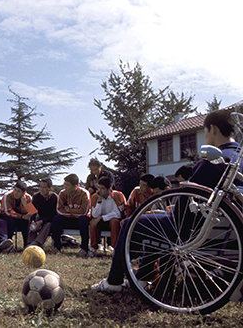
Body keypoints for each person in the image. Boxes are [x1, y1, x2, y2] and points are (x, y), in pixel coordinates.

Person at [91, 109, 243, 292]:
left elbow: (185, 204)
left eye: (205, 131)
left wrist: (171, 213)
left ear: (213, 129)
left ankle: (114, 281)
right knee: (156, 222)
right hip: (230, 234)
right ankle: (142, 277)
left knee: (131, 223)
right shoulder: (238, 160)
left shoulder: (216, 160)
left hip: (193, 231)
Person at [51, 173, 91, 257]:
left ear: (75, 186)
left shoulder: (84, 193)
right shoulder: (62, 193)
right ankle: (57, 247)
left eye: (67, 185)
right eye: (64, 184)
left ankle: (84, 248)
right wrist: (74, 212)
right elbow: (59, 210)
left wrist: (69, 210)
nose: (65, 187)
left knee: (83, 219)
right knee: (56, 219)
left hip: (80, 220)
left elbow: (84, 211)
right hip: (68, 219)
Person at [89, 177, 126, 257]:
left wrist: (102, 217)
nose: (99, 190)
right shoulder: (95, 197)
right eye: (98, 188)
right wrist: (99, 202)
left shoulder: (117, 195)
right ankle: (93, 248)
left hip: (113, 222)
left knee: (114, 221)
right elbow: (94, 215)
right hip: (101, 222)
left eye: (102, 188)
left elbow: (118, 214)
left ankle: (115, 248)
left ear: (109, 189)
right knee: (93, 222)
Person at [27, 178, 58, 248]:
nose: (41, 189)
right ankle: (30, 242)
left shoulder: (54, 198)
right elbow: (33, 212)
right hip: (40, 218)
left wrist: (41, 222)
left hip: (50, 220)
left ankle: (38, 243)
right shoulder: (36, 197)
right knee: (31, 223)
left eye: (44, 187)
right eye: (40, 187)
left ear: (50, 188)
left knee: (48, 225)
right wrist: (33, 221)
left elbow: (54, 215)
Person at [0, 181, 32, 248]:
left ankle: (27, 245)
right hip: (8, 217)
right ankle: (8, 245)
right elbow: (8, 211)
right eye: (15, 190)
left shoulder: (28, 198)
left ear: (24, 193)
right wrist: (22, 216)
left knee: (26, 222)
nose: (16, 193)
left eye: (18, 191)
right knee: (11, 220)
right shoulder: (7, 196)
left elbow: (32, 212)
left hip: (22, 219)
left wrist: (25, 205)